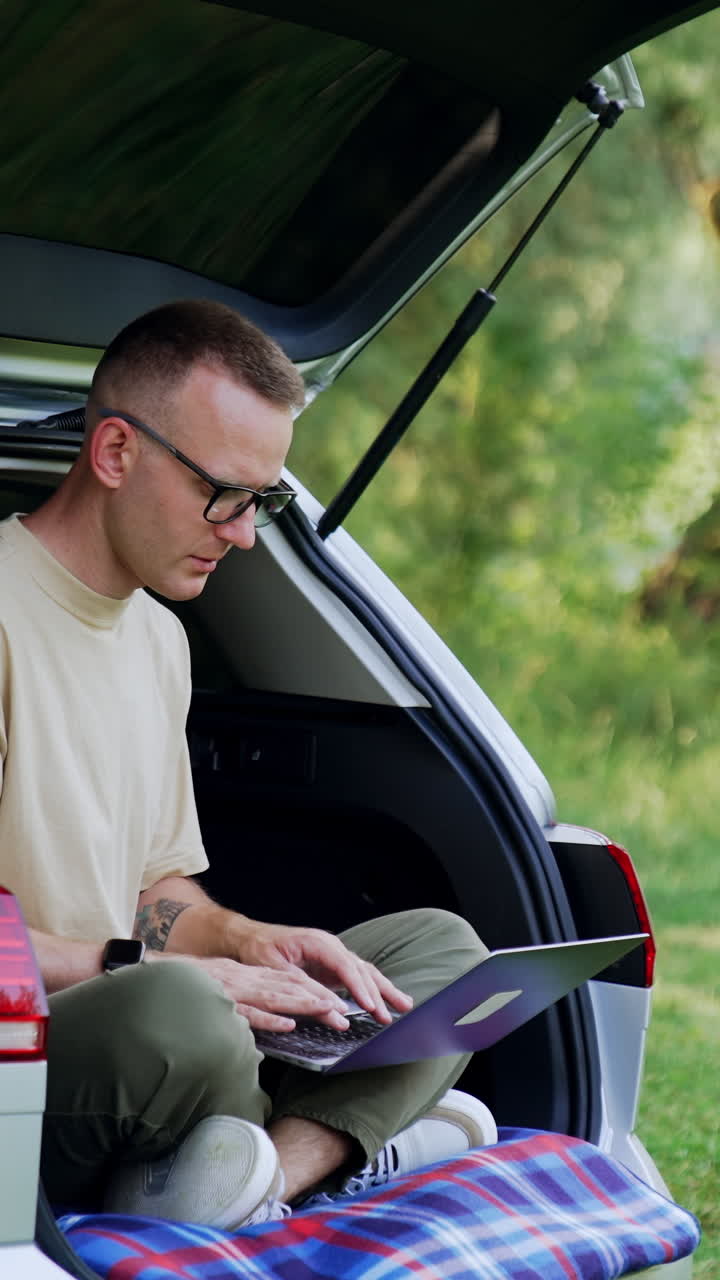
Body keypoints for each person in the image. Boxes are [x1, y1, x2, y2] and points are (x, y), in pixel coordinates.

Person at [0, 299, 496, 1230]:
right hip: (26, 1058)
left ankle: (261, 1179)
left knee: (443, 954)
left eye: (262, 501)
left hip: (158, 1032)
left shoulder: (159, 640)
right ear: (114, 454)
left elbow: (154, 885)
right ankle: (347, 1148)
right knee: (181, 1014)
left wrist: (243, 940)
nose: (244, 534)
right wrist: (141, 969)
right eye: (224, 494)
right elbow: (132, 960)